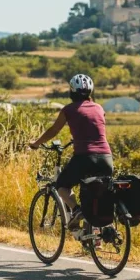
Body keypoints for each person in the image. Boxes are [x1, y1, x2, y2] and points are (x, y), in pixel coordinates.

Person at [29, 74, 114, 238]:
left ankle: (77, 210)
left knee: (62, 185)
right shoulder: (99, 108)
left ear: (72, 92)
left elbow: (53, 131)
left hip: (85, 157)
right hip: (106, 158)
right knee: (99, 192)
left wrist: (37, 143)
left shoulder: (68, 109)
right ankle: (98, 232)